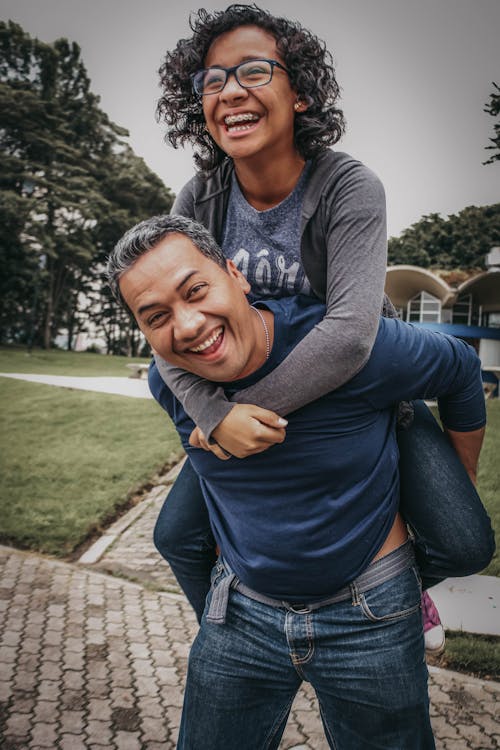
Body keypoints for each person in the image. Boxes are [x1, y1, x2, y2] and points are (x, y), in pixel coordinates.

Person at [152, 3, 494, 653]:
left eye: (253, 71)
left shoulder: (347, 186)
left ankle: (393, 597)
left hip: (359, 391)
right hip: (250, 402)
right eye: (212, 80)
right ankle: (248, 635)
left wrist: (242, 409)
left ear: (301, 92)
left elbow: (349, 336)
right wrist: (214, 414)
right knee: (175, 537)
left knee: (466, 541)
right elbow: (170, 332)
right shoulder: (201, 197)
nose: (229, 91)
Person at [107, 214, 488, 749]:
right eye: (156, 316)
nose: (188, 325)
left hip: (371, 618)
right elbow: (220, 488)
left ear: (236, 275)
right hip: (240, 614)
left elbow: (460, 371)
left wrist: (459, 480)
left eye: (196, 290)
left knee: (468, 542)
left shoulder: (358, 350)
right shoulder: (170, 383)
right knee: (173, 534)